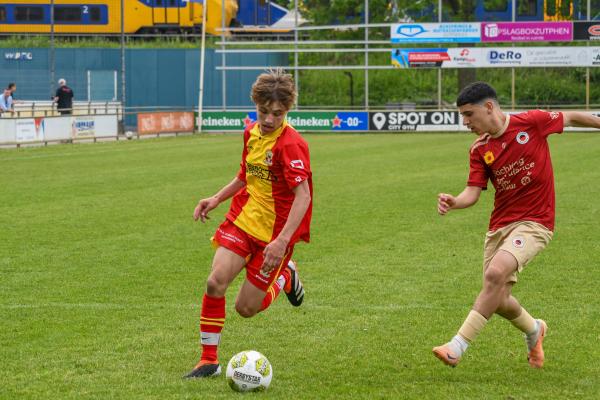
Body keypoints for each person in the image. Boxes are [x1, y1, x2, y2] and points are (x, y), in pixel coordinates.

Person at [433, 81, 600, 369]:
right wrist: (454, 201)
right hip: (500, 226)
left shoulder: (532, 122)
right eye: (462, 116)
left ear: (489, 107)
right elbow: (472, 192)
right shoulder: (479, 149)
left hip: (536, 222)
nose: (465, 122)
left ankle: (457, 346)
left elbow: (571, 117)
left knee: (496, 274)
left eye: (469, 114)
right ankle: (535, 329)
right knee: (497, 297)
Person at [184, 69, 313, 379]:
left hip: (275, 234)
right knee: (215, 282)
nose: (268, 119)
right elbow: (245, 176)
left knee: (246, 309)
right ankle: (208, 361)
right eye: (263, 112)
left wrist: (282, 242)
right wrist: (216, 198)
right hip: (243, 220)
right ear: (255, 105)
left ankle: (286, 275)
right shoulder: (251, 133)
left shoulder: (291, 145)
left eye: (277, 114)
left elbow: (303, 196)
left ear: (287, 110)